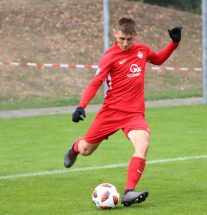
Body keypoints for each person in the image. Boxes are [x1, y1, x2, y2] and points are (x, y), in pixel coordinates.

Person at [63, 17, 182, 207]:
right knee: (87, 150)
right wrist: (81, 106)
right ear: (115, 34)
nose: (125, 43)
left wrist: (174, 43)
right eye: (121, 39)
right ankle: (75, 147)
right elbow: (95, 83)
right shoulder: (109, 56)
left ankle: (129, 192)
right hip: (110, 113)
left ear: (134, 35)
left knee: (143, 144)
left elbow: (158, 60)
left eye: (129, 39)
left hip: (134, 114)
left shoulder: (142, 50)